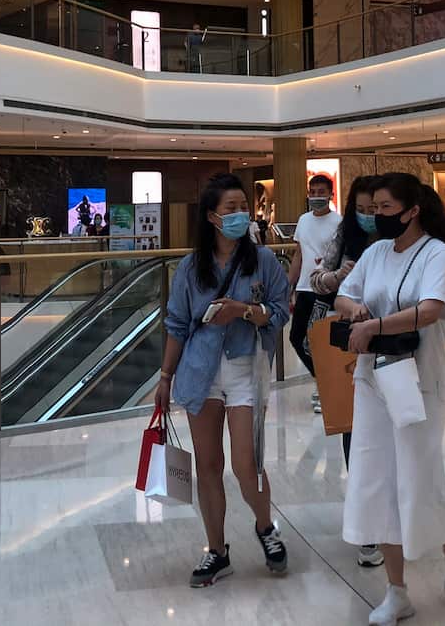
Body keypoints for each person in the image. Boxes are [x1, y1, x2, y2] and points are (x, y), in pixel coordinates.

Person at [334, 172, 445, 624]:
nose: (377, 218)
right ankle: (397, 591)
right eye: (373, 210)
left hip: (418, 384)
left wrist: (373, 326)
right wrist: (354, 310)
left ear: (413, 210)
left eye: (386, 209)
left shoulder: (437, 253)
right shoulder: (374, 253)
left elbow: (432, 310)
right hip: (373, 383)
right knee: (377, 481)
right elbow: (342, 296)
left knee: (418, 479)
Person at [156, 173, 291, 588]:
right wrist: (165, 377)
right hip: (200, 374)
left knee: (246, 465)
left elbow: (280, 311)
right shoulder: (190, 267)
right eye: (230, 209)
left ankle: (265, 527)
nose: (239, 215)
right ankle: (216, 550)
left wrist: (244, 311)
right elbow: (177, 325)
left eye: (242, 207)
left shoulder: (263, 261)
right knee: (209, 466)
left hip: (245, 368)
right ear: (212, 217)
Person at [308, 174, 383, 569]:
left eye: (380, 209)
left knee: (392, 437)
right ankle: (369, 528)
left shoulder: (402, 246)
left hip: (394, 349)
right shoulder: (344, 236)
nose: (372, 216)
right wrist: (338, 278)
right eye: (365, 209)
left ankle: (396, 518)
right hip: (348, 350)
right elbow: (316, 280)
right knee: (355, 435)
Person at [286, 174, 341, 407]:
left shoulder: (339, 222)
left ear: (330, 194)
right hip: (304, 288)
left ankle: (327, 386)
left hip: (326, 288)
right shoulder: (303, 220)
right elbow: (299, 254)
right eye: (313, 192)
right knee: (296, 337)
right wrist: (289, 284)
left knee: (318, 339)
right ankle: (323, 379)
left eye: (321, 192)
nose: (316, 196)